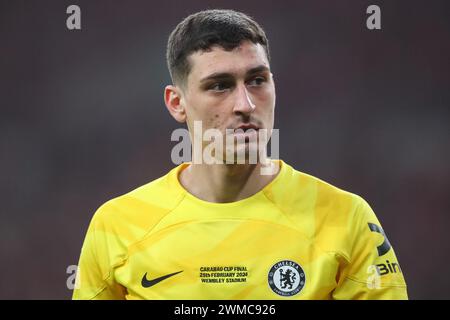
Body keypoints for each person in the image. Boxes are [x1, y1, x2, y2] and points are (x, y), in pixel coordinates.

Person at [73, 9, 408, 300]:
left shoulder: (346, 218)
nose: (245, 105)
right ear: (177, 103)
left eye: (257, 80)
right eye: (219, 85)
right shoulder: (116, 226)